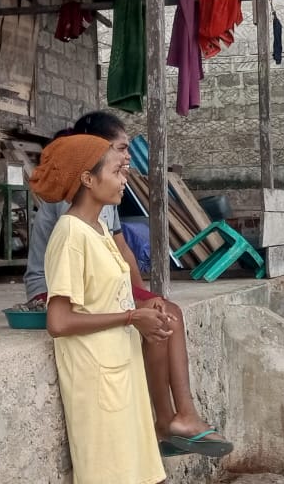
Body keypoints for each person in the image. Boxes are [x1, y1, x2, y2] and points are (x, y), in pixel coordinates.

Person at [24, 110, 232, 457]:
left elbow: (121, 252)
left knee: (166, 310)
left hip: (96, 285)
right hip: (58, 288)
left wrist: (143, 295)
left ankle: (180, 417)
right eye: (120, 150)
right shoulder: (74, 208)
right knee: (155, 316)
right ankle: (168, 420)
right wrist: (133, 312)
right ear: (93, 161)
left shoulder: (107, 196)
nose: (127, 161)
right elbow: (63, 310)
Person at [32, 134, 168, 484]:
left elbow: (103, 296)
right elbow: (58, 321)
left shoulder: (100, 229)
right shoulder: (70, 235)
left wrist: (142, 307)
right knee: (110, 474)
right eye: (117, 171)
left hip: (121, 369)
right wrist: (130, 317)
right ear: (88, 179)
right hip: (95, 380)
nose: (124, 180)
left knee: (137, 472)